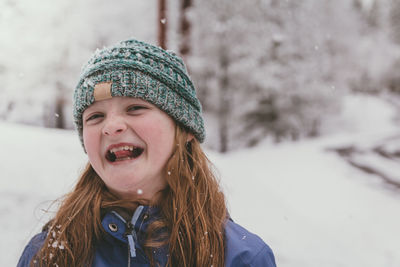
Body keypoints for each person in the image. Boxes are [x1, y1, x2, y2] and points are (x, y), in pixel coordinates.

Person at [17, 38, 276, 267]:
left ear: (183, 128)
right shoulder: (49, 256)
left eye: (135, 108)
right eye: (95, 116)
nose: (111, 126)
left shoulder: (243, 258)